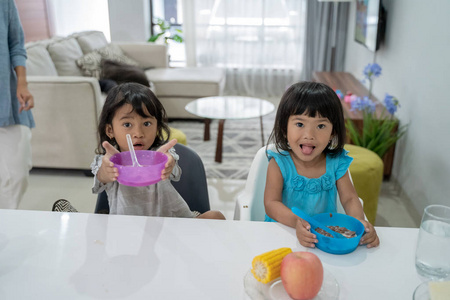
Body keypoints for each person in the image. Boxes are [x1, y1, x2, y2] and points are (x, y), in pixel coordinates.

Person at [264, 81, 379, 248]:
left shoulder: (336, 163)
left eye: (320, 126)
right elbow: (271, 204)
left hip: (325, 238)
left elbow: (350, 198)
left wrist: (359, 223)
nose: (309, 135)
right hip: (282, 234)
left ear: (333, 132)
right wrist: (297, 223)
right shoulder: (279, 163)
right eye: (300, 124)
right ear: (284, 127)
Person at [91, 82, 225, 219]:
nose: (138, 133)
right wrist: (106, 171)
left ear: (157, 127)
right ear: (110, 130)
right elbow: (100, 180)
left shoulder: (160, 154)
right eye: (127, 124)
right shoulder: (108, 160)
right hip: (129, 228)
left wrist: (169, 164)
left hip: (173, 222)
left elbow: (174, 170)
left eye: (147, 123)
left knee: (216, 216)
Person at [0, 0, 35, 209]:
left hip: (8, 102)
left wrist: (22, 83)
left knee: (18, 174)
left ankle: (6, 226)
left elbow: (16, 44)